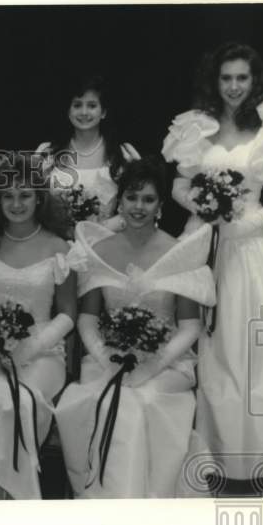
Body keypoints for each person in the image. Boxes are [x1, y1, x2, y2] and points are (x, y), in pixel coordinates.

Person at [162, 42, 263, 489]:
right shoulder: (195, 127)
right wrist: (203, 205)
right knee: (212, 352)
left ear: (254, 80)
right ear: (215, 81)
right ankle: (218, 457)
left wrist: (247, 222)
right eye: (226, 78)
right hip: (204, 246)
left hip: (252, 249)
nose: (235, 86)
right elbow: (180, 184)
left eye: (242, 77)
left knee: (257, 351)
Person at [54, 158, 215, 498]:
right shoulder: (99, 250)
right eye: (132, 198)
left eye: (148, 199)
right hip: (107, 360)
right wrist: (105, 356)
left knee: (140, 400)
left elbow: (190, 325)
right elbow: (87, 318)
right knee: (112, 397)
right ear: (120, 202)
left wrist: (152, 365)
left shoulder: (178, 252)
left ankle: (140, 504)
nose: (138, 207)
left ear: (159, 206)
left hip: (167, 364)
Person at [0, 153, 76, 500]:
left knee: (16, 400)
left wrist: (31, 346)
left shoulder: (58, 246)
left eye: (24, 195)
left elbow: (67, 313)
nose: (16, 203)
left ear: (39, 197)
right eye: (8, 196)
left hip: (44, 354)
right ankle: (0, 499)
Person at [36, 74, 140, 236]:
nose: (84, 112)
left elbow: (138, 206)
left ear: (103, 112)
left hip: (106, 243)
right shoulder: (47, 153)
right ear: (68, 111)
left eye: (91, 106)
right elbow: (34, 204)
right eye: (77, 105)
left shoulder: (124, 155)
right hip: (56, 243)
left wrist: (100, 231)